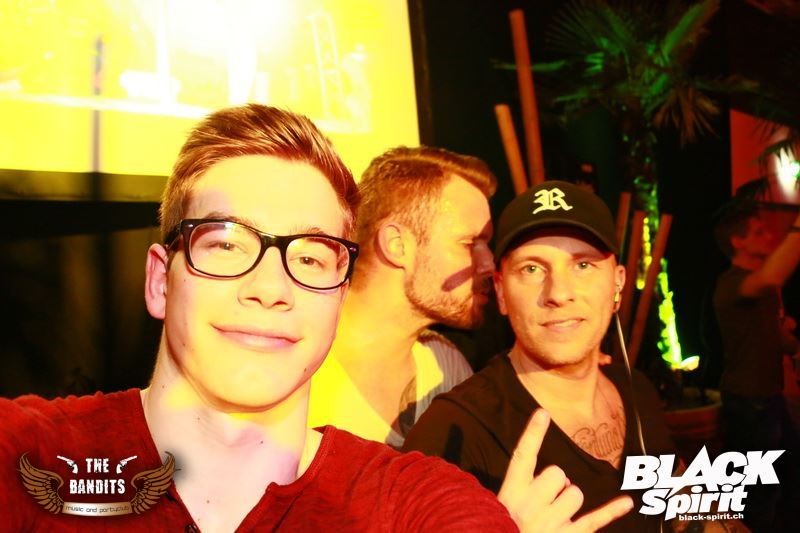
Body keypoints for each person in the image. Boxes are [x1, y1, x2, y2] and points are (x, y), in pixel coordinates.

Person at [0, 106, 632, 531]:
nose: (270, 287)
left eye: (309, 256)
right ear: (161, 280)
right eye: (226, 245)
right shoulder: (34, 455)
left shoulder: (416, 470)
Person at [403, 180, 676, 532]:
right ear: (501, 293)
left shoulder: (637, 390)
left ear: (618, 285)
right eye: (531, 269)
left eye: (583, 265)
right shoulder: (453, 432)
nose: (558, 293)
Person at [308, 146, 495, 447]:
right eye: (469, 243)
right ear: (397, 245)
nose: (489, 265)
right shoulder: (297, 363)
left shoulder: (446, 365)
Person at [712, 199, 800, 532]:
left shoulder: (765, 288)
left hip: (769, 399)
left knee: (789, 483)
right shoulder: (732, 283)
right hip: (748, 403)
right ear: (738, 242)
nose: (769, 237)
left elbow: (776, 337)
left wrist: (793, 344)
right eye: (759, 232)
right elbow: (774, 272)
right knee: (759, 497)